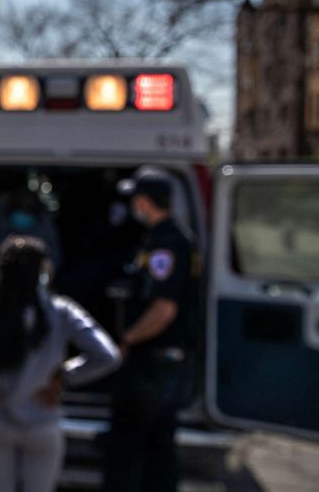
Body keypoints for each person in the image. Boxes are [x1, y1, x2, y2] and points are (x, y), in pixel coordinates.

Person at [0, 236, 122, 492]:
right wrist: (64, 376)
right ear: (42, 271)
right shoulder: (62, 311)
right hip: (43, 421)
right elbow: (108, 355)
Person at [104, 173, 197, 492]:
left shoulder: (167, 243)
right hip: (156, 363)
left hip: (154, 364)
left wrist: (128, 340)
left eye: (135, 200)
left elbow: (163, 309)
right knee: (154, 447)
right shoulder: (158, 238)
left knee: (136, 447)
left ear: (143, 202)